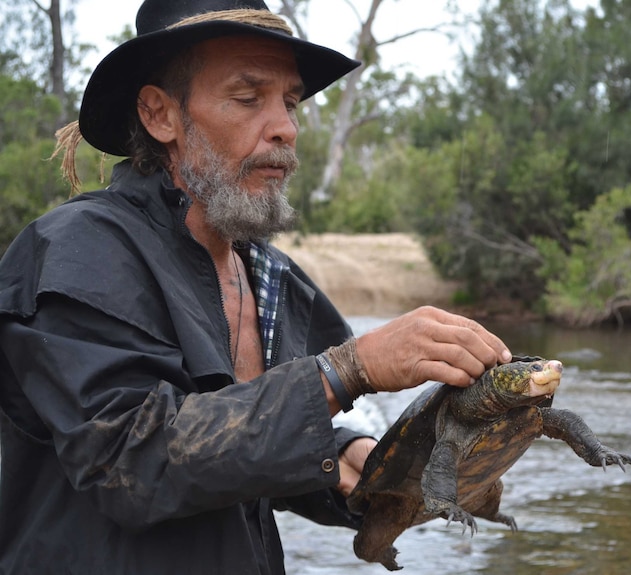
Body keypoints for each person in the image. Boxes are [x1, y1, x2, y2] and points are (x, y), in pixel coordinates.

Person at [0, 0, 512, 573]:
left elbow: (245, 447)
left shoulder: (274, 280)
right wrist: (350, 368)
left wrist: (361, 464)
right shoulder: (79, 250)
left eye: (290, 103)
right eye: (248, 99)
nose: (286, 128)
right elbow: (131, 460)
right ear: (159, 114)